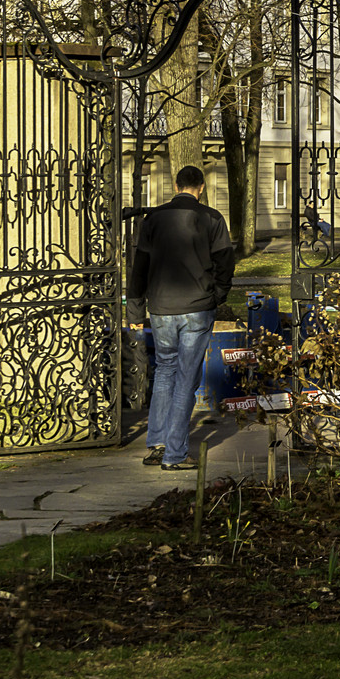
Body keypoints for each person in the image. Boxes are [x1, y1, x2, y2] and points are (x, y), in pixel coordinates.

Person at [127, 165, 235, 470]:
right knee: (187, 378)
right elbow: (226, 263)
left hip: (160, 308)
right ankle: (174, 454)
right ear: (201, 187)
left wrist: (135, 309)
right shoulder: (212, 218)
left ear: (176, 185)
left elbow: (140, 266)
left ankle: (157, 444)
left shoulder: (154, 219)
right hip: (198, 306)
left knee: (164, 372)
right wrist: (218, 296)